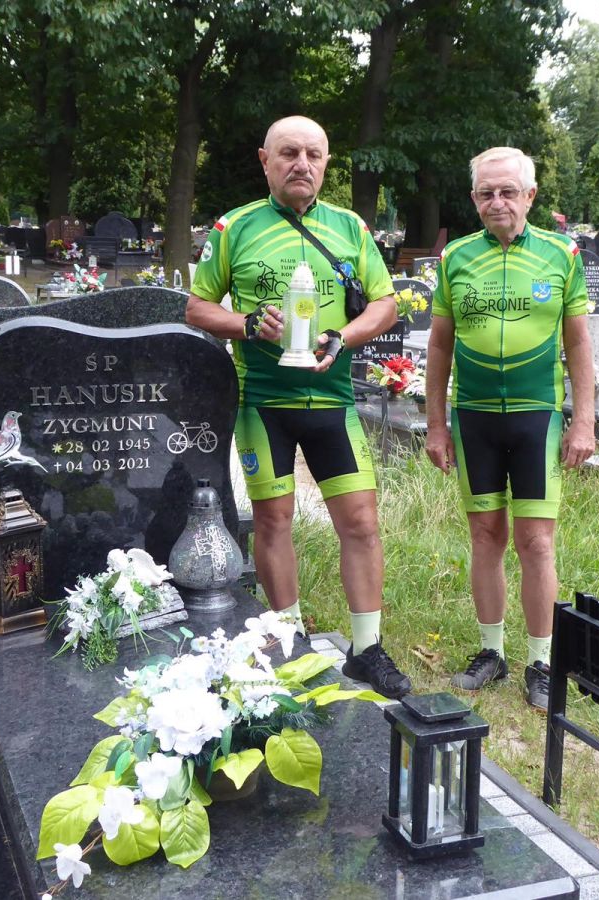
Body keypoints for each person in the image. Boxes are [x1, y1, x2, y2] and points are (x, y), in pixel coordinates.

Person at [185, 115, 411, 699]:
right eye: (289, 153)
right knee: (273, 520)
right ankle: (287, 642)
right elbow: (197, 307)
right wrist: (245, 324)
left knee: (360, 522)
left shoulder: (349, 227)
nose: (302, 164)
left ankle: (366, 650)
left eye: (314, 154)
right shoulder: (235, 226)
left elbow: (385, 303)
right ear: (265, 160)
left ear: (327, 163)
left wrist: (344, 337)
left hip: (332, 398)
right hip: (263, 400)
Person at [423, 147, 595, 712]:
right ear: (474, 198)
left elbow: (578, 342)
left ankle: (541, 661)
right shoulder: (456, 257)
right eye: (486, 193)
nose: (497, 202)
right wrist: (435, 425)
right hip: (473, 416)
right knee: (485, 536)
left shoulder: (560, 254)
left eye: (508, 191)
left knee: (536, 541)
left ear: (530, 196)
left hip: (535, 415)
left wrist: (584, 420)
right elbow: (440, 345)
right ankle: (492, 652)